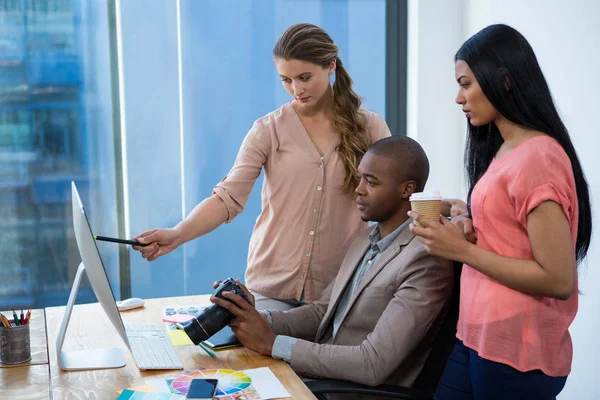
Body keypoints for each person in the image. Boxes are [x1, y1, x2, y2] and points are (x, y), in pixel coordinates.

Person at [132, 23, 390, 310]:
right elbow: (226, 199)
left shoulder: (369, 127)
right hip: (272, 287)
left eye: (305, 77)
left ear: (330, 66)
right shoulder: (267, 130)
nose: (297, 89)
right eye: (286, 80)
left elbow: (393, 198)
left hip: (341, 291)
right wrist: (177, 234)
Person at [409, 24, 592, 400]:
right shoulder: (505, 150)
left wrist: (460, 250)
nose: (459, 98)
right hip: (477, 336)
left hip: (515, 351)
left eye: (466, 84)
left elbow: (558, 279)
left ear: (503, 80)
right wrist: (467, 217)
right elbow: (511, 235)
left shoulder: (539, 157)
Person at [210, 136, 453, 388]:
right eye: (360, 178)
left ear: (407, 190)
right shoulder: (364, 240)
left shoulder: (424, 260)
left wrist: (272, 344)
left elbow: (373, 363)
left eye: (371, 182)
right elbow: (322, 312)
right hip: (321, 379)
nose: (358, 189)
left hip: (353, 392)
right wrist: (255, 318)